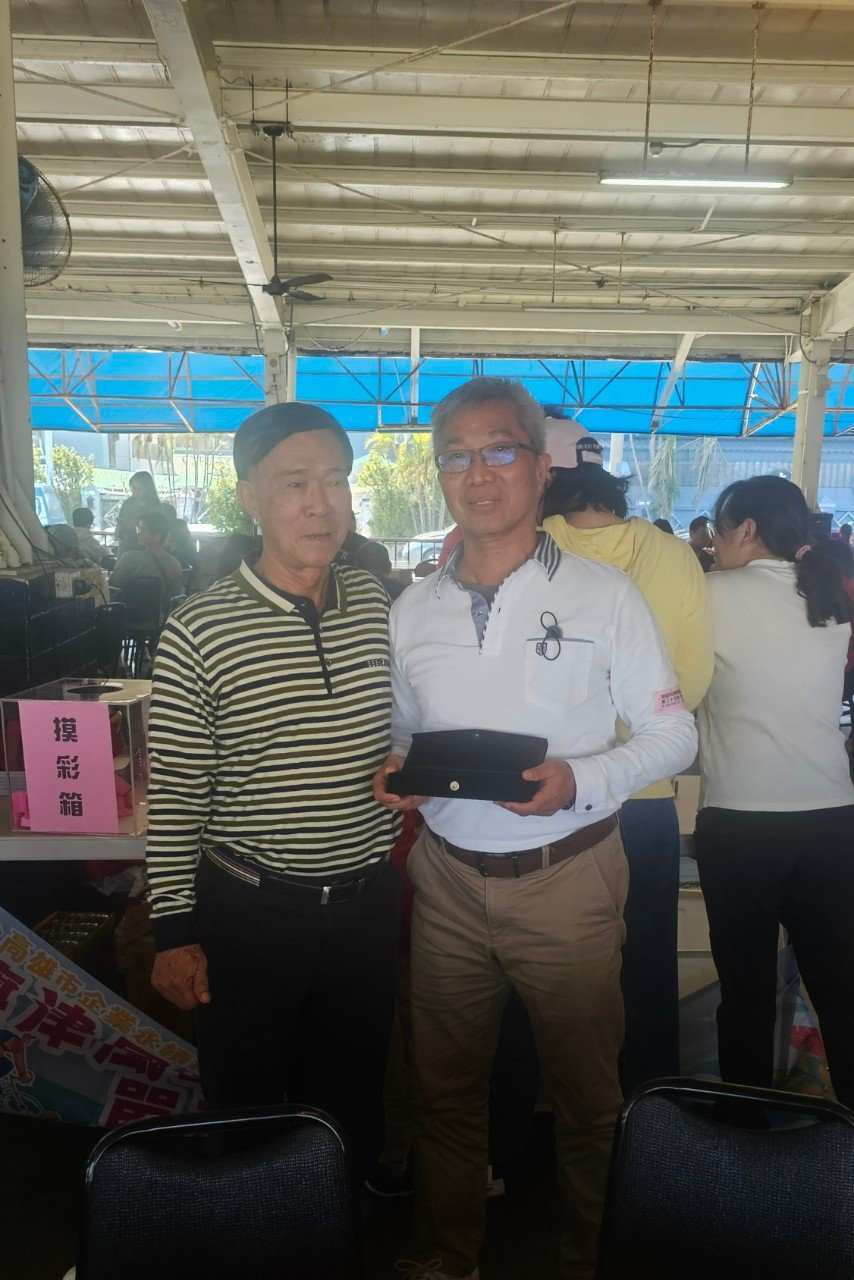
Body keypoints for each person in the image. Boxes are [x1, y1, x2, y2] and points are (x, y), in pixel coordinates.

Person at [375, 377, 697, 1280]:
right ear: (440, 473)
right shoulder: (413, 609)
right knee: (445, 1088)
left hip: (569, 879)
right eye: (456, 456)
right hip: (446, 881)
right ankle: (450, 1254)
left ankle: (588, 1257)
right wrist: (397, 771)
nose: (478, 474)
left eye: (500, 451)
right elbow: (406, 731)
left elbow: (675, 732)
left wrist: (581, 780)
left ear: (541, 468)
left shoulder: (604, 596)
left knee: (589, 1098)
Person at [145, 401, 401, 1176]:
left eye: (336, 480)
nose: (321, 503)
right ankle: (258, 1229)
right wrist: (171, 931)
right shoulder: (199, 629)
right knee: (249, 1109)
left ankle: (340, 1223)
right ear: (249, 497)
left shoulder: (377, 607)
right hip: (251, 914)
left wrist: (408, 762)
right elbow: (178, 791)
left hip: (366, 908)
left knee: (353, 1101)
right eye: (295, 483)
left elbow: (405, 725)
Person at [541, 416, 712, 1090]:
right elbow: (692, 680)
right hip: (646, 796)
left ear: (542, 478)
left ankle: (551, 1112)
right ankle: (652, 1110)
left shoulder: (529, 550)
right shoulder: (672, 554)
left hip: (552, 800)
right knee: (646, 963)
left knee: (544, 967)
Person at [695, 476, 854, 1107]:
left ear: (747, 529)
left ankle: (745, 1133)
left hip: (742, 824)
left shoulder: (713, 594)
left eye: (718, 529)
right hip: (833, 820)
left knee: (747, 994)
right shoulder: (827, 593)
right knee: (841, 990)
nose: (712, 544)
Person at [110, 509, 185, 616]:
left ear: (157, 536)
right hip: (161, 618)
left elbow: (114, 584)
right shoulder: (175, 563)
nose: (138, 533)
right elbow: (176, 594)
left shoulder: (129, 558)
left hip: (126, 616)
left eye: (142, 530)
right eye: (138, 529)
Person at [115, 471, 161, 555]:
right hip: (126, 546)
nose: (134, 492)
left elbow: (158, 531)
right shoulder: (127, 504)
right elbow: (119, 527)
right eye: (133, 488)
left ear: (148, 489)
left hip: (148, 549)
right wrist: (120, 528)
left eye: (138, 489)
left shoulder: (156, 507)